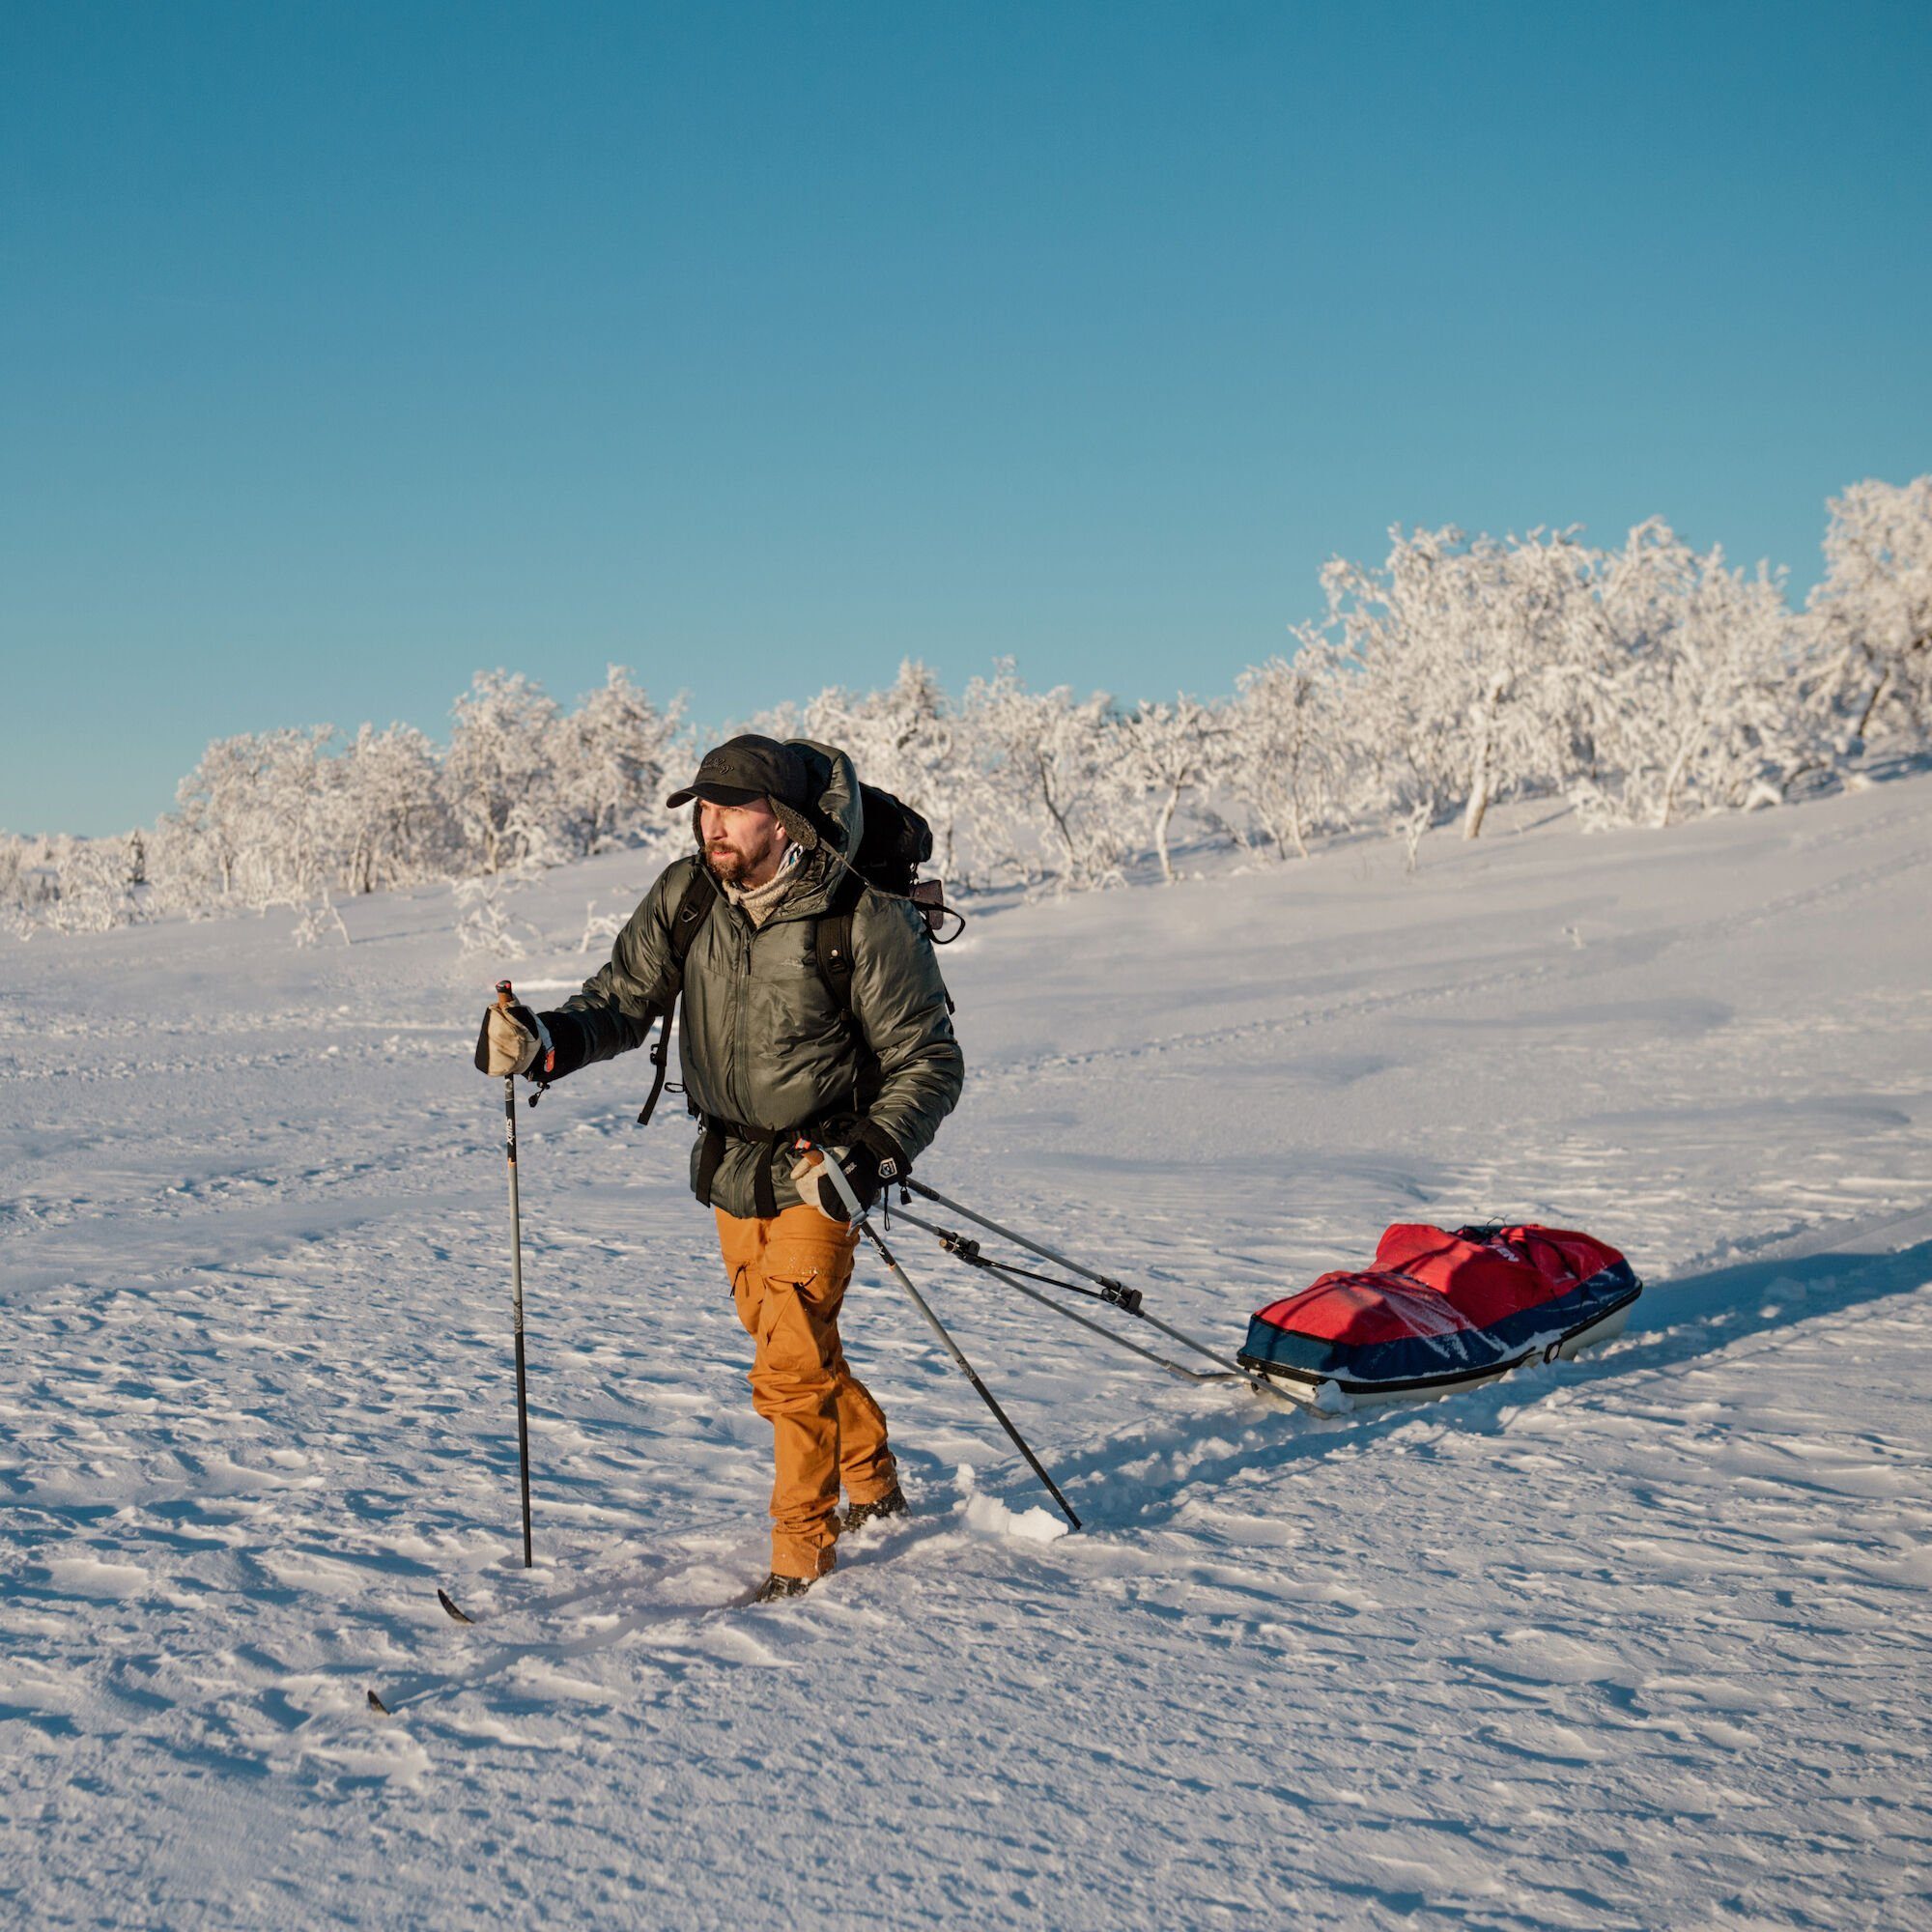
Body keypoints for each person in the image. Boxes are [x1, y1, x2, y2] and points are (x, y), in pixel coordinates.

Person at [477, 735, 964, 1601]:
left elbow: (929, 1059)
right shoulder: (689, 894)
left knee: (786, 1364)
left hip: (827, 1162)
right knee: (788, 1338)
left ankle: (802, 1555)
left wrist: (871, 1152)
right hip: (731, 1161)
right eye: (703, 808)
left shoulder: (862, 917)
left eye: (733, 808)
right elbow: (621, 999)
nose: (713, 826)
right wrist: (544, 1043)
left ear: (782, 821)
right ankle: (875, 1479)